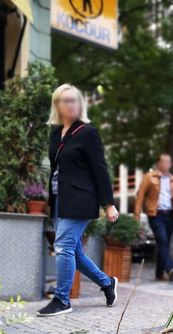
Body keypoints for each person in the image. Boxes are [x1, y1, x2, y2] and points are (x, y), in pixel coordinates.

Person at [38, 84, 120, 317]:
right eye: (65, 100)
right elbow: (56, 168)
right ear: (57, 105)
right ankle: (107, 283)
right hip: (59, 199)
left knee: (62, 246)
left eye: (74, 100)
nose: (71, 104)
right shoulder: (55, 133)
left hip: (80, 199)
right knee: (74, 252)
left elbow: (100, 169)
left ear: (80, 104)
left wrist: (109, 203)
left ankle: (62, 300)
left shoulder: (88, 132)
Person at [134, 154, 173, 281]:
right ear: (159, 163)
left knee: (165, 245)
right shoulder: (149, 177)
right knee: (162, 241)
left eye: (169, 162)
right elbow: (140, 196)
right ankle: (170, 268)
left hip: (170, 215)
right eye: (164, 161)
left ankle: (159, 273)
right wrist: (136, 215)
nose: (166, 164)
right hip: (155, 214)